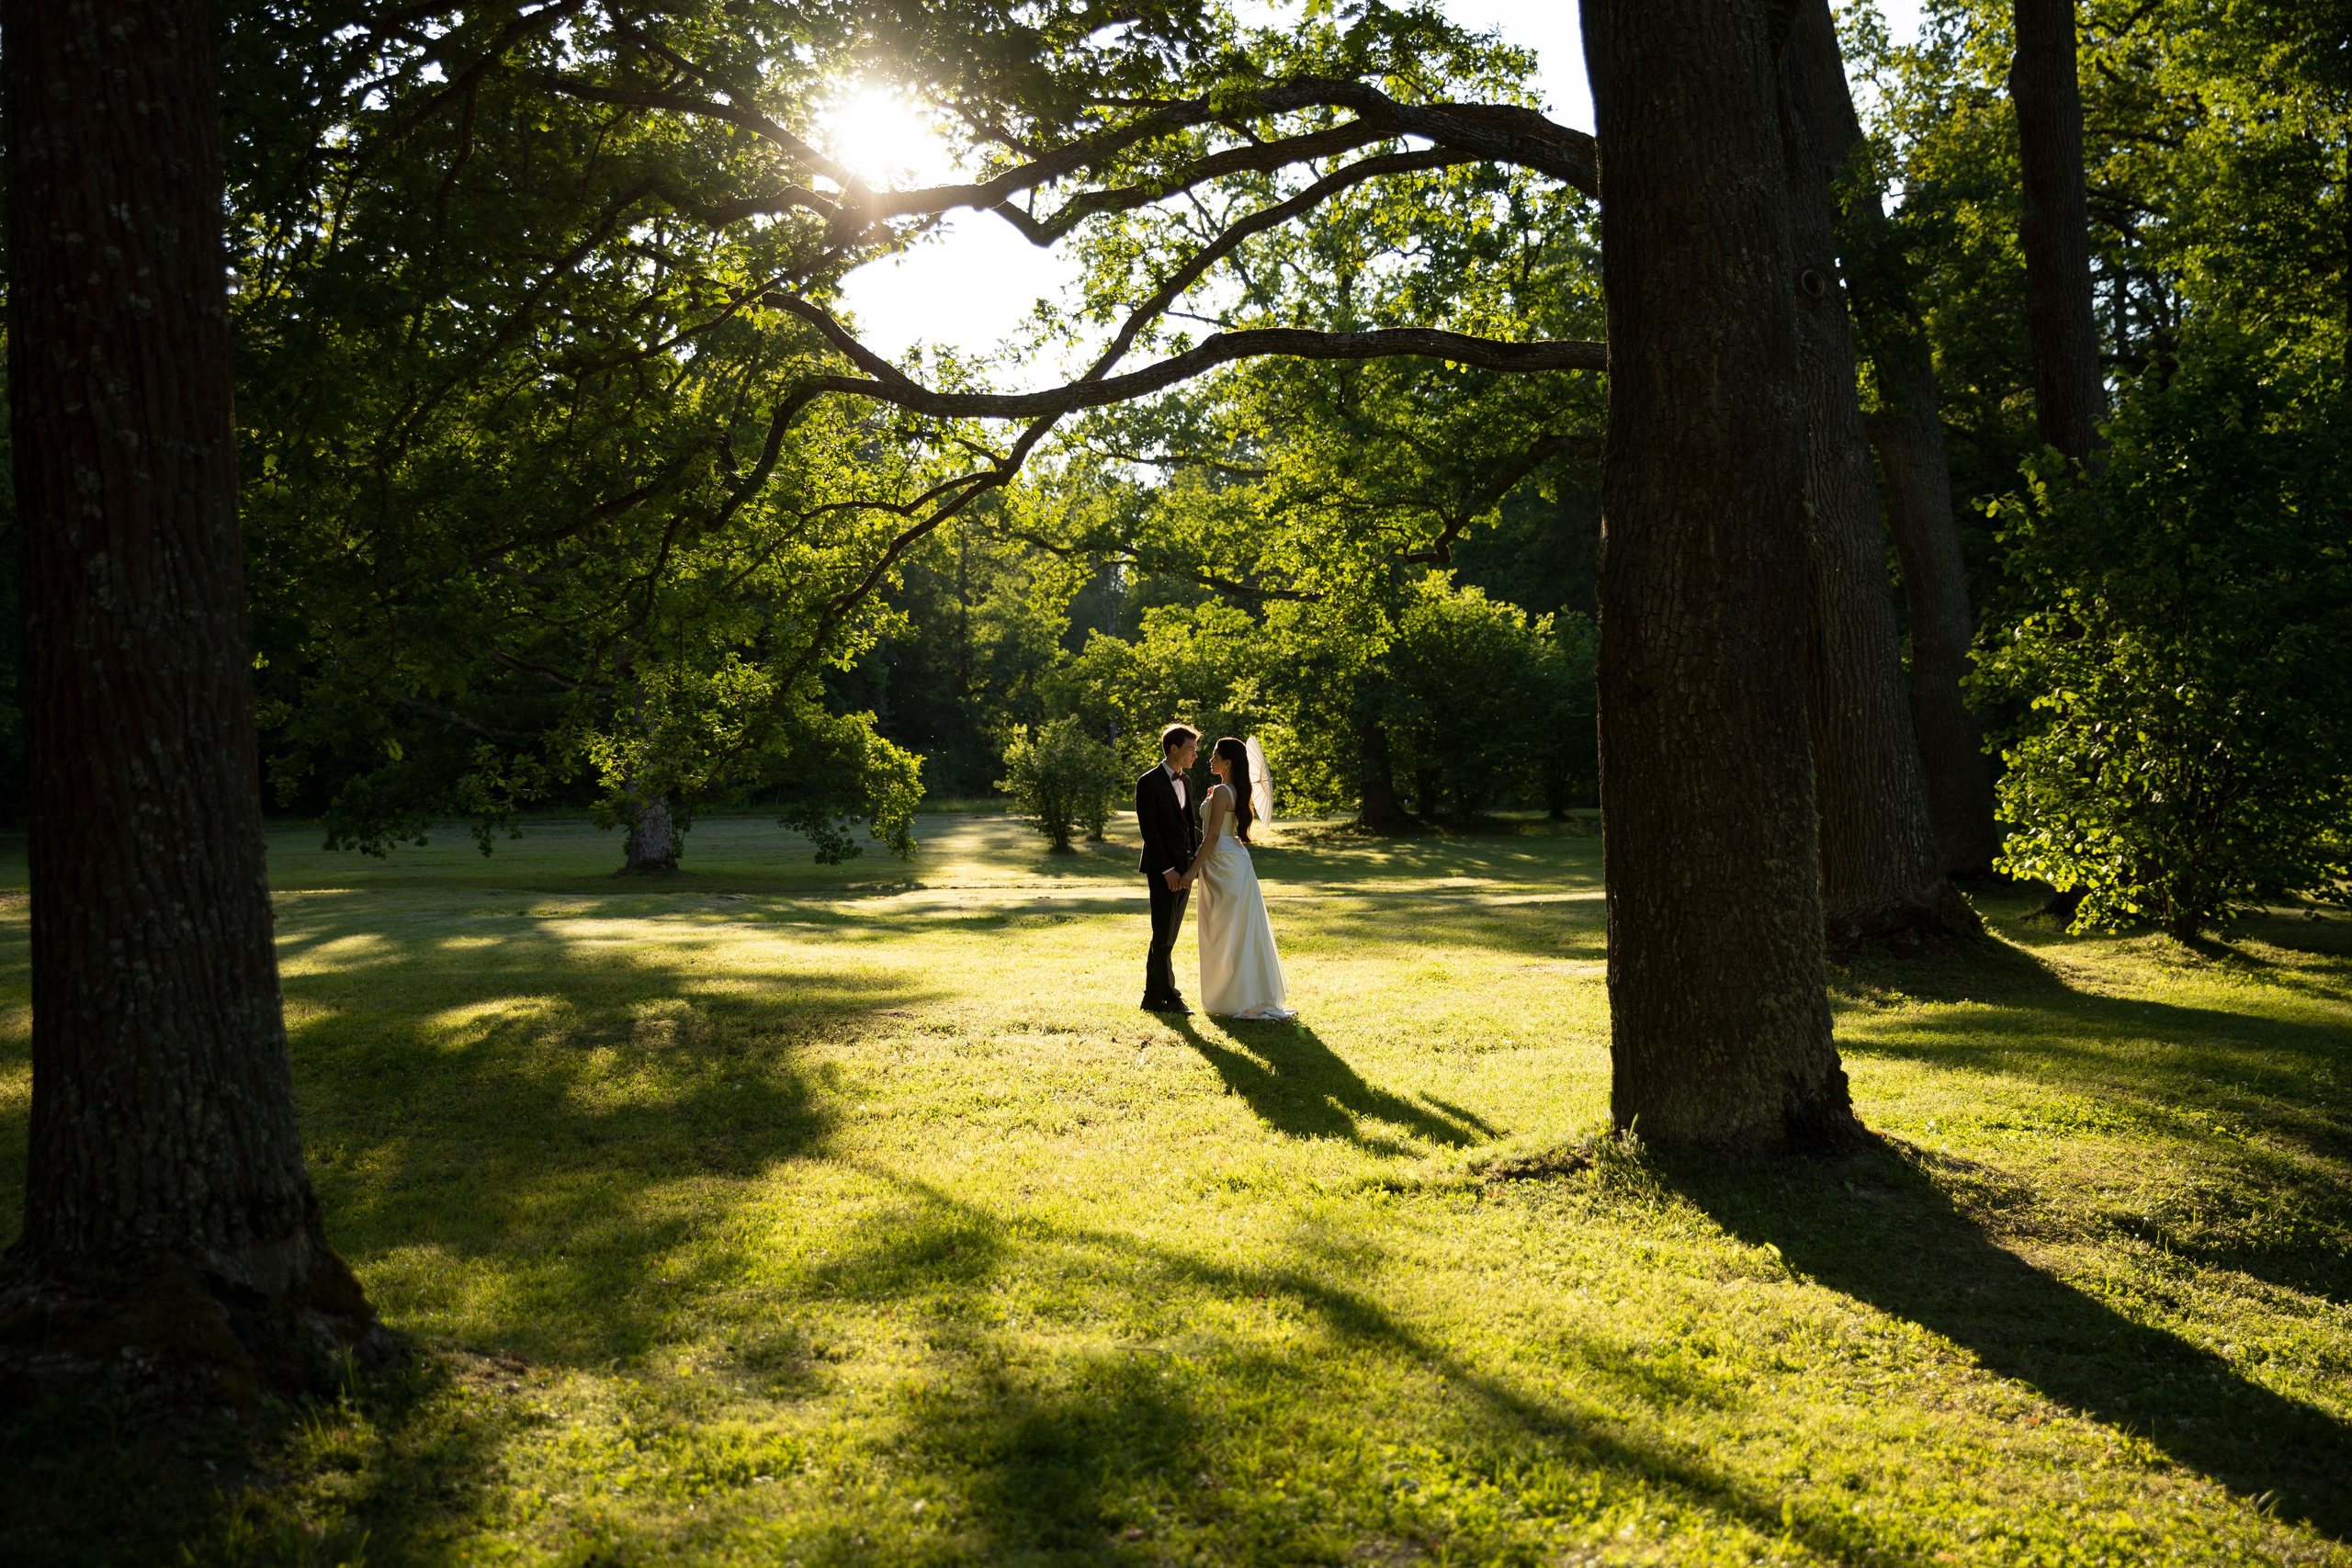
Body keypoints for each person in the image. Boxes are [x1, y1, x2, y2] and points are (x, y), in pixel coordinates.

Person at [1181, 736, 1294, 1020]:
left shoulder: (1222, 791)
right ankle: (1244, 993)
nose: (1209, 759)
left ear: (1227, 762)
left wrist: (1194, 868)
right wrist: (1211, 800)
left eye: (1215, 756)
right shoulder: (1231, 791)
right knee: (1238, 930)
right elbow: (1218, 828)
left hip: (1222, 862)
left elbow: (1213, 835)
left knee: (1224, 931)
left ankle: (1234, 997)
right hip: (1234, 860)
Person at [1135, 723, 1201, 1014]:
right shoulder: (1147, 782)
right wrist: (1167, 869)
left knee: (1168, 935)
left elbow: (1187, 827)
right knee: (1162, 934)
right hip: (1164, 871)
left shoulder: (1185, 782)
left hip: (1185, 870)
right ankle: (1171, 998)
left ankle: (1151, 998)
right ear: (1174, 748)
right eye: (1191, 749)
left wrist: (1218, 839)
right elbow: (1150, 831)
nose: (1195, 755)